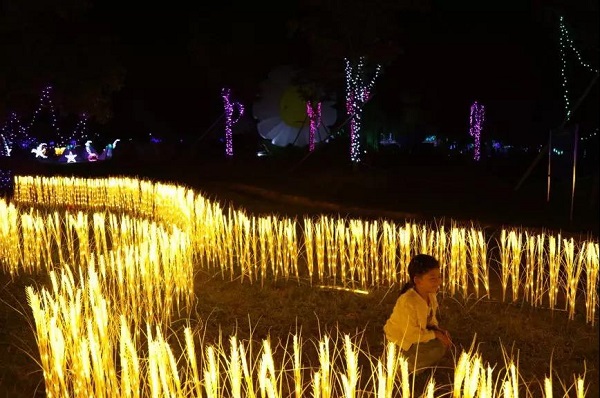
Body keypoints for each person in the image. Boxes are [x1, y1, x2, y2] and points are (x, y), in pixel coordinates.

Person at [384, 254, 452, 374]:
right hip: (402, 342)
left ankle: (414, 361)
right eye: (432, 279)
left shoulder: (430, 295)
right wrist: (435, 334)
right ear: (417, 280)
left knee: (443, 342)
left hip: (417, 334)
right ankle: (405, 365)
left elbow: (430, 319)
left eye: (439, 277)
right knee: (438, 348)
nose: (438, 282)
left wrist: (438, 330)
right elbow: (410, 335)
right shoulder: (408, 302)